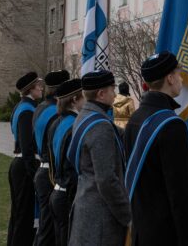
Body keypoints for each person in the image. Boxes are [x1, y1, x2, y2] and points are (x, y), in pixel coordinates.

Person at [124, 51, 188, 246]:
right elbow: (181, 193)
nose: (181, 79)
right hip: (168, 233)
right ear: (169, 78)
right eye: (178, 74)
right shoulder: (171, 125)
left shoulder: (135, 119)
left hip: (143, 227)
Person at [67, 70, 131, 246]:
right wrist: (127, 216)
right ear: (101, 94)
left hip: (87, 204)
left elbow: (121, 135)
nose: (115, 94)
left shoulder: (86, 115)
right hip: (100, 217)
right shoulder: (100, 126)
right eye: (112, 89)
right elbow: (106, 180)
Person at [32, 70, 69, 245]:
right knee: (48, 231)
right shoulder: (55, 112)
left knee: (46, 228)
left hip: (42, 168)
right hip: (50, 173)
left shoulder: (39, 107)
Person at [8, 71, 43, 246]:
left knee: (19, 214)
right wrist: (34, 173)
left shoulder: (20, 107)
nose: (41, 88)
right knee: (23, 216)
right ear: (31, 89)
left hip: (19, 164)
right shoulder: (27, 111)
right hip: (24, 166)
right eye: (38, 86)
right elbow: (27, 146)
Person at [48, 78, 83, 246]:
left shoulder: (57, 123)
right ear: (75, 100)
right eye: (83, 96)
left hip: (57, 191)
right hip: (67, 194)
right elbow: (71, 168)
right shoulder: (74, 125)